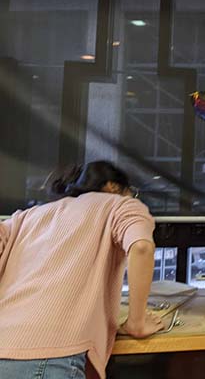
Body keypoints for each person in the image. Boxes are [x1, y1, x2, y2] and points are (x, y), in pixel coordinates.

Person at [0, 161, 164, 379]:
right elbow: (142, 247)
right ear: (113, 187)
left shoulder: (30, 215)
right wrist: (137, 322)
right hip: (49, 356)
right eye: (130, 192)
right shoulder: (119, 205)